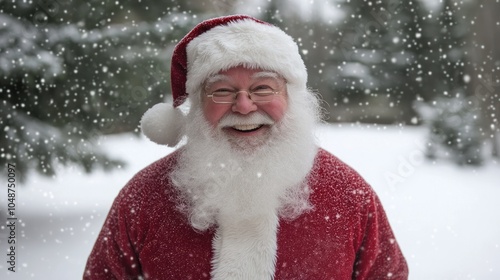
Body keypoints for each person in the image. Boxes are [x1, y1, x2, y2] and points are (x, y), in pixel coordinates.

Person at [84, 15, 408, 279]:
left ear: (291, 97)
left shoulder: (349, 194)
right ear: (197, 105)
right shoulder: (144, 197)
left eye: (263, 87)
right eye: (222, 91)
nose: (243, 106)